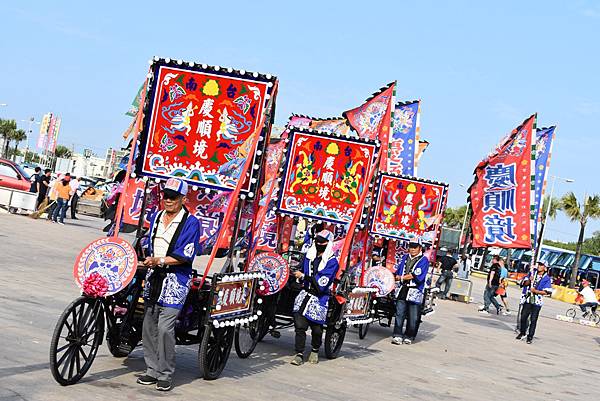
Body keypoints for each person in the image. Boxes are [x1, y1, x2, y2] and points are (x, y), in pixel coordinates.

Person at [137, 178, 200, 391]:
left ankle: (165, 373)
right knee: (149, 323)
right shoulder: (156, 217)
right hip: (155, 276)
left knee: (165, 327)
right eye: (166, 196)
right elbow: (149, 241)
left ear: (183, 199)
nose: (168, 200)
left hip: (176, 279)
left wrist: (160, 260)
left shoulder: (191, 222)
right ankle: (151, 369)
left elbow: (185, 255)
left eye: (173, 197)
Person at [291, 229, 339, 366]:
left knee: (317, 329)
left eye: (322, 242)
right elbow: (300, 267)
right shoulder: (309, 255)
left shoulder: (332, 262)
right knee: (300, 325)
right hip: (304, 294)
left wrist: (305, 276)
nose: (318, 243)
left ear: (328, 244)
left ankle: (315, 349)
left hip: (319, 297)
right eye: (317, 241)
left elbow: (322, 283)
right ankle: (299, 353)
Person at [391, 240, 430, 345]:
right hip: (403, 289)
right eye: (411, 247)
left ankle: (409, 335)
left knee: (413, 316)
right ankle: (397, 334)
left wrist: (401, 277)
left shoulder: (424, 260)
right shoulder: (405, 257)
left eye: (415, 247)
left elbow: (416, 275)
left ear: (419, 248)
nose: (412, 249)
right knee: (399, 313)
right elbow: (398, 271)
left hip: (415, 290)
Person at [516, 261, 553, 344]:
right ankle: (522, 332)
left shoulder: (547, 278)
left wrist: (536, 291)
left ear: (545, 268)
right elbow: (523, 283)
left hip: (537, 301)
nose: (539, 266)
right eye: (539, 264)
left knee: (533, 319)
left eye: (541, 265)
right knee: (523, 317)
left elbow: (547, 292)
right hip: (528, 299)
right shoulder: (532, 273)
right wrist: (529, 280)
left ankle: (530, 336)